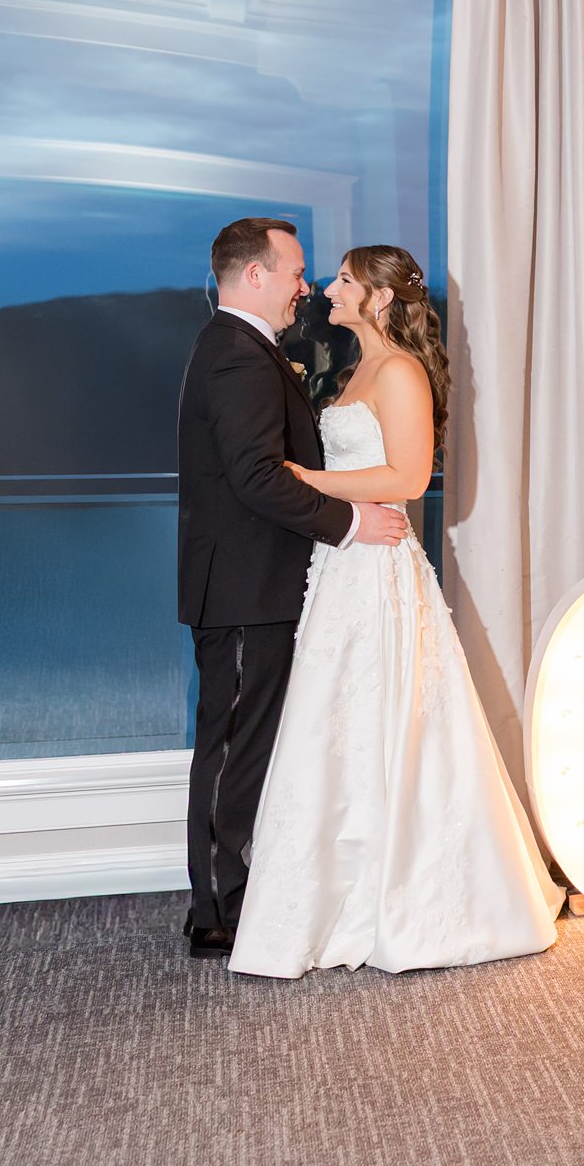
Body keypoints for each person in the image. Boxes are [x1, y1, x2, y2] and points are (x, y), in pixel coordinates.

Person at [229, 244, 563, 978]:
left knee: (386, 720)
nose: (326, 288)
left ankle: (404, 902)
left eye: (344, 280)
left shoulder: (401, 372)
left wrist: (305, 478)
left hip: (379, 569)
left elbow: (409, 478)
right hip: (345, 563)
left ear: (380, 298)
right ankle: (338, 899)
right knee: (338, 723)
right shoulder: (356, 370)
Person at [177, 218, 412, 961]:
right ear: (255, 276)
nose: (304, 287)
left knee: (241, 741)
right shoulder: (237, 357)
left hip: (253, 583)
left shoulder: (236, 348)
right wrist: (347, 524)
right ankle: (219, 909)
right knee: (235, 745)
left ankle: (227, 895)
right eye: (295, 272)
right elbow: (254, 478)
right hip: (246, 588)